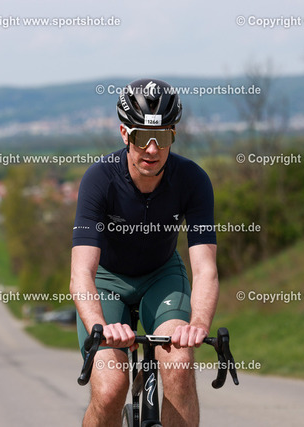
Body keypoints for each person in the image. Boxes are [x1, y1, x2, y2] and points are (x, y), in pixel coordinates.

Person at [71, 78, 219, 427]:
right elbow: (81, 273)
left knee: (179, 365)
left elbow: (206, 268)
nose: (152, 149)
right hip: (107, 280)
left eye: (162, 137)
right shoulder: (99, 179)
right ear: (125, 133)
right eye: (141, 137)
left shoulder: (192, 179)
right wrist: (99, 326)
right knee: (110, 388)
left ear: (173, 135)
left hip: (161, 276)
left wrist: (198, 325)